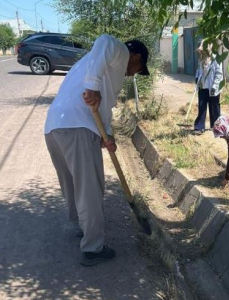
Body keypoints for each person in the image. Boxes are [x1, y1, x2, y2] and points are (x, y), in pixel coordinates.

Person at [44, 35, 149, 266]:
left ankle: (83, 228)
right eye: (139, 69)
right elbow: (105, 40)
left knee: (72, 184)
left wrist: (106, 136)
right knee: (89, 188)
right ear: (136, 57)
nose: (134, 74)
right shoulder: (119, 52)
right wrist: (92, 87)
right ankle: (92, 248)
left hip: (54, 127)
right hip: (77, 127)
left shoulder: (92, 64)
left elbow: (104, 110)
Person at [192, 41, 224, 135]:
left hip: (213, 87)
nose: (200, 52)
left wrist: (215, 86)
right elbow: (199, 71)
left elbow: (219, 74)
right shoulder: (201, 60)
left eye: (202, 50)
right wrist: (197, 78)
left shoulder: (216, 59)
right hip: (203, 87)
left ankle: (216, 127)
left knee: (214, 107)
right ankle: (199, 127)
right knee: (202, 107)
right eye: (200, 51)